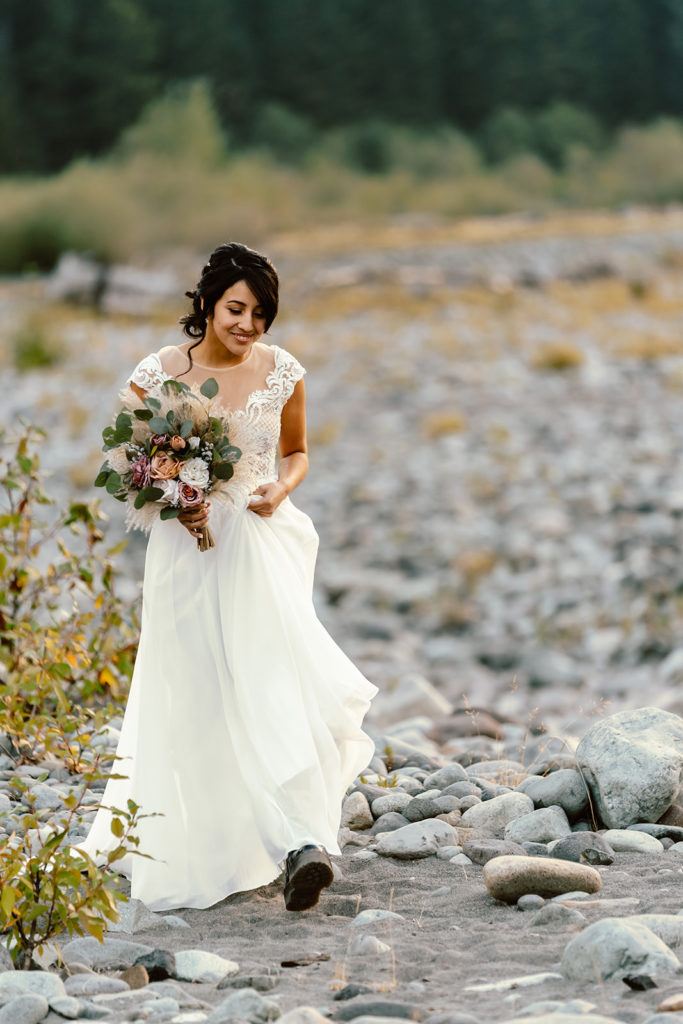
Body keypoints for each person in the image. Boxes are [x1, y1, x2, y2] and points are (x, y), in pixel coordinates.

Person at [77, 242, 377, 913]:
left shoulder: (282, 371)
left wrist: (279, 487)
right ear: (207, 304)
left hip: (260, 542)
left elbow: (296, 451)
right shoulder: (161, 372)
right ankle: (219, 838)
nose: (249, 325)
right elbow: (128, 454)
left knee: (271, 678)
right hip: (185, 556)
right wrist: (166, 493)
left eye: (262, 314)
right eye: (237, 309)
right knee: (197, 689)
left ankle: (300, 843)